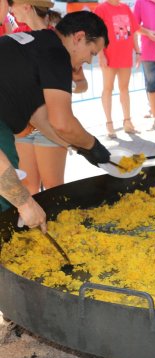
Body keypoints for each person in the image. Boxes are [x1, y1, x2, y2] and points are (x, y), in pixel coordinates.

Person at [0, 11, 111, 230]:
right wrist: (93, 146)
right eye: (92, 52)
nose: (89, 61)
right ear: (78, 37)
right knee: (10, 196)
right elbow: (62, 122)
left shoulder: (38, 45)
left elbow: (41, 118)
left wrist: (78, 148)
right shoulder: (57, 53)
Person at [8, 0, 76, 195]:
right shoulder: (16, 38)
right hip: (23, 126)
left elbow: (81, 81)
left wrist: (63, 86)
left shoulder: (58, 39)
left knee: (54, 189)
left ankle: (61, 225)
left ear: (28, 6)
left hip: (50, 125)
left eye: (14, 4)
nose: (11, 9)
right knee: (29, 188)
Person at [94, 0, 140, 139]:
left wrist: (137, 52)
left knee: (124, 88)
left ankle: (127, 121)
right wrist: (101, 55)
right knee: (108, 88)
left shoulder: (126, 8)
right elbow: (97, 34)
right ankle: (109, 124)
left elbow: (133, 33)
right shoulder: (101, 9)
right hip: (109, 55)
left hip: (125, 54)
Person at [133, 0, 155, 131]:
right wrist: (147, 33)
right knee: (152, 86)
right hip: (149, 52)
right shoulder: (140, 2)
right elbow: (133, 26)